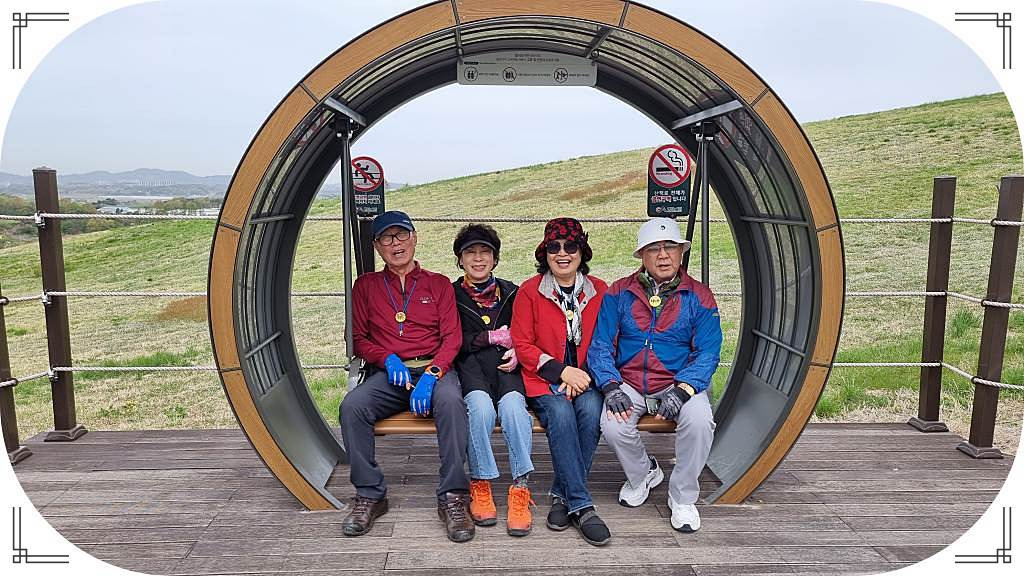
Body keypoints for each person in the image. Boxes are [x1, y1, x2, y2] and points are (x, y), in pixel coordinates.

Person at [338, 210, 474, 543]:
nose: (395, 243)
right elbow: (357, 338)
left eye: (401, 235)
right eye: (386, 238)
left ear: (414, 238)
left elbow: (452, 338)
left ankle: (453, 496)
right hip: (391, 375)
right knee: (352, 406)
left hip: (433, 371)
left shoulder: (438, 284)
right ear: (377, 246)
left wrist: (432, 374)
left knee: (452, 403)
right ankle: (370, 494)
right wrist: (386, 358)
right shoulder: (366, 286)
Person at [588, 217, 722, 533]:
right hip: (630, 382)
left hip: (679, 381)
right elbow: (601, 345)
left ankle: (683, 496)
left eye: (670, 247)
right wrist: (610, 385)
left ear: (680, 252)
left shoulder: (700, 295)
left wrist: (684, 389)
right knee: (612, 424)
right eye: (653, 249)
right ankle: (643, 473)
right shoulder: (619, 292)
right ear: (642, 256)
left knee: (700, 421)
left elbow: (708, 352)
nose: (663, 256)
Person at [510, 217, 610, 547]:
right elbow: (522, 344)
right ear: (545, 253)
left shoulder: (600, 290)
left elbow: (606, 340)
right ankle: (582, 505)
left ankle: (561, 495)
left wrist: (582, 376)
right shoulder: (529, 291)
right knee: (561, 414)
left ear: (582, 251)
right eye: (554, 247)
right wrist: (562, 372)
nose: (562, 253)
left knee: (591, 410)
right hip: (543, 379)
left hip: (586, 378)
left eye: (571, 246)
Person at [450, 223, 535, 537]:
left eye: (485, 252)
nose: (478, 258)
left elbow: (528, 331)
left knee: (514, 410)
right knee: (481, 410)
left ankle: (520, 488)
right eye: (470, 252)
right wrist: (487, 337)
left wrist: (519, 348)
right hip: (471, 370)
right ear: (460, 260)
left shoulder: (512, 292)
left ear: (495, 258)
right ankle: (480, 482)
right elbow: (450, 339)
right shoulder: (451, 294)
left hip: (507, 370)